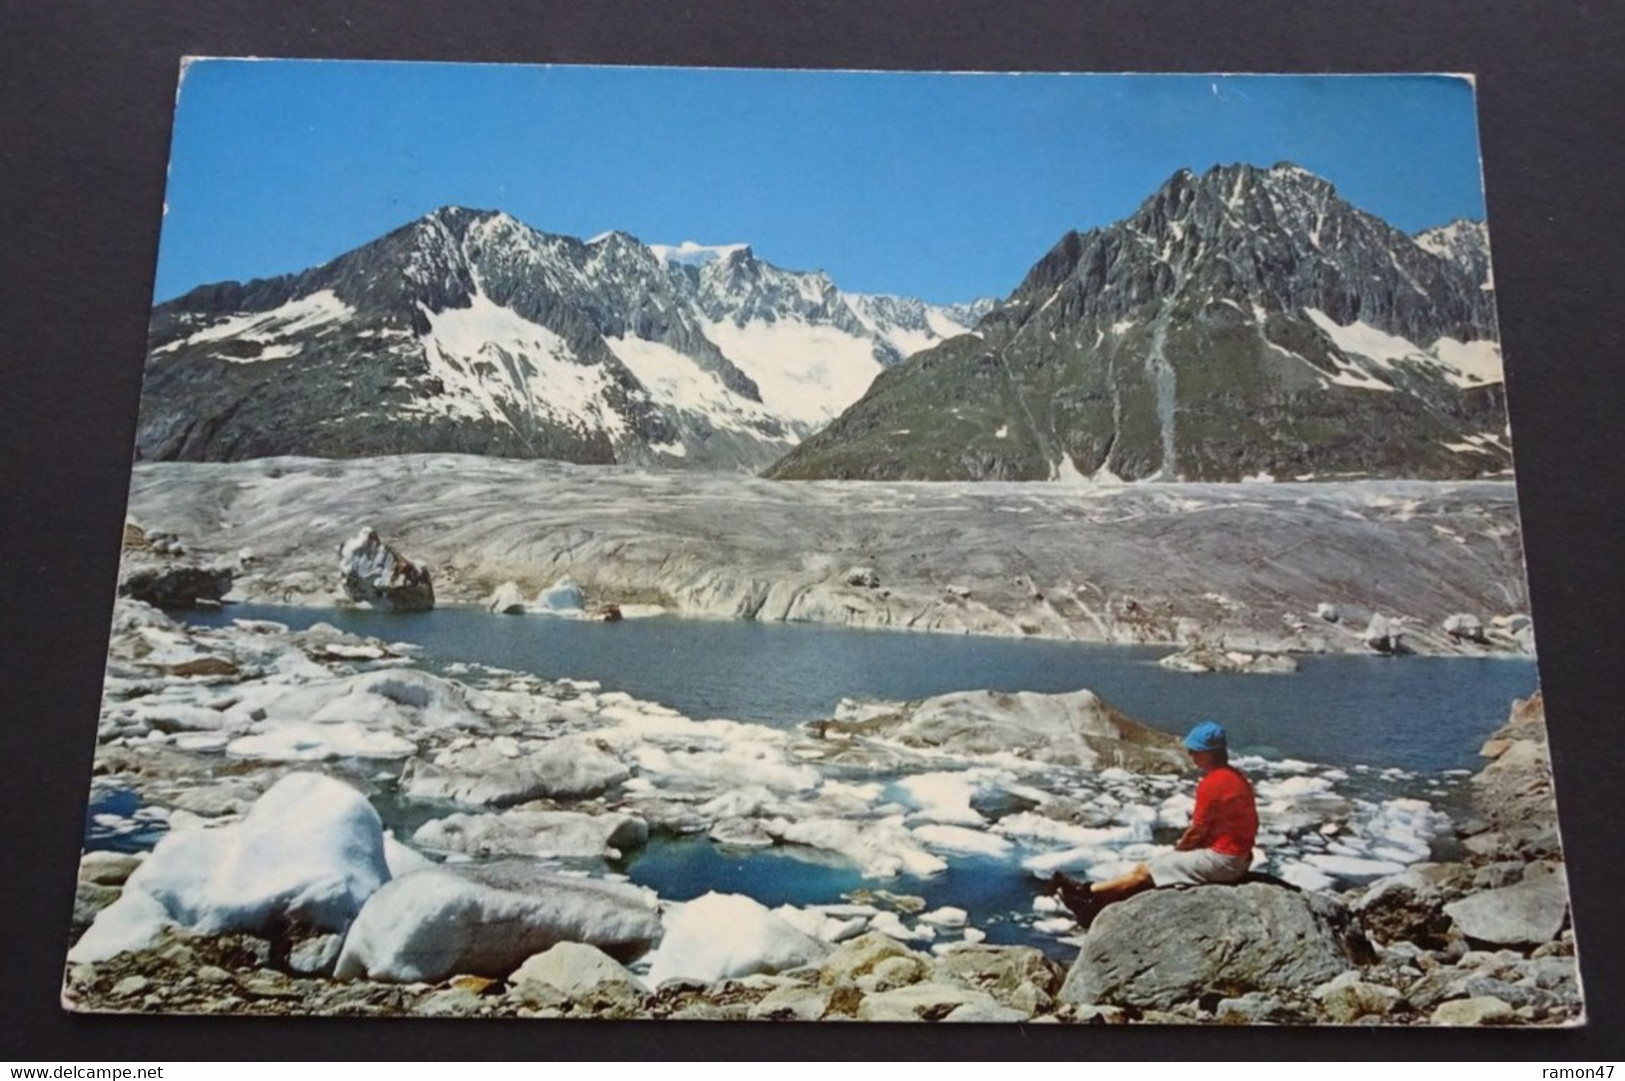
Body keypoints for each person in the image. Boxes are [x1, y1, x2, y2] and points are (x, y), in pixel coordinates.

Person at [1051, 719, 1257, 927]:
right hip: (1238, 858)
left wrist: (1179, 851)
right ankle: (1093, 896)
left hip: (1223, 861)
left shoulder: (1212, 784)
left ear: (1208, 753)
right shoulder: (1237, 778)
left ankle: (1087, 893)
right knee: (1160, 867)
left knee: (1146, 871)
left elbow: (1198, 829)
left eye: (1194, 751)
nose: (1191, 756)